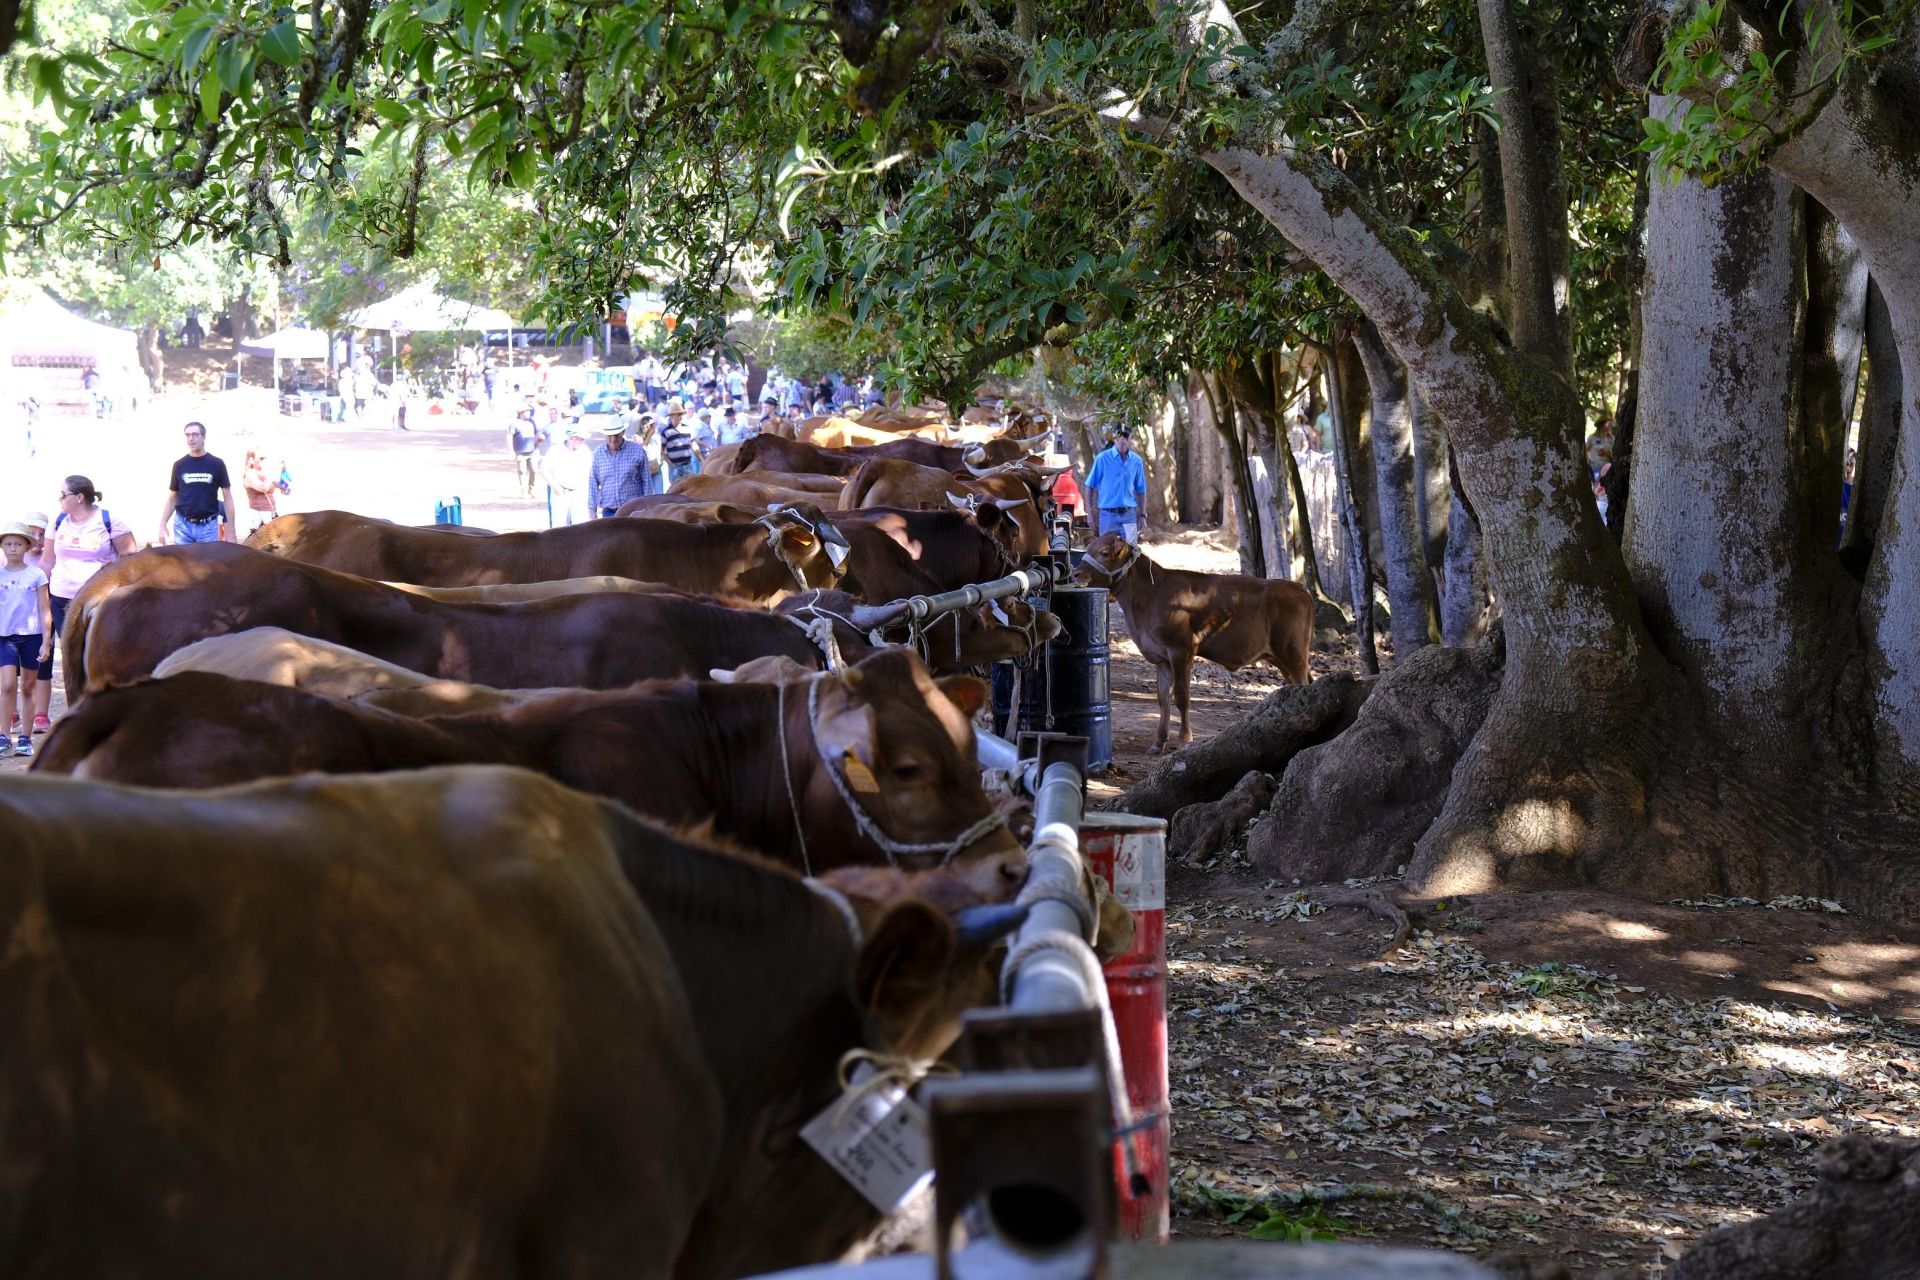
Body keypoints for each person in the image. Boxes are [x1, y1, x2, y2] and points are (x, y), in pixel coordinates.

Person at [43, 477, 135, 727]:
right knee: (72, 653)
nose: (59, 499)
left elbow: (130, 558)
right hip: (63, 598)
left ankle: (107, 707)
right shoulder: (58, 521)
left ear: (79, 497)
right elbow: (47, 561)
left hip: (100, 598)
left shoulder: (110, 521)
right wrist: (38, 594)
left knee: (99, 652)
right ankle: (80, 715)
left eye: (62, 494)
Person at [0, 522, 53, 758]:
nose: (13, 548)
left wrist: (46, 640)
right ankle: (3, 736)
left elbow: (44, 609)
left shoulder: (36, 574)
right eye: (8, 543)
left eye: (18, 544)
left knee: (28, 687)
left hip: (31, 636)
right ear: (2, 546)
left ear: (26, 546)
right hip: (4, 637)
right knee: (7, 685)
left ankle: (25, 738)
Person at [157, 421, 236, 544]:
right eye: (187, 435)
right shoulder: (179, 465)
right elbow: (172, 498)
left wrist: (231, 530)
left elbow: (228, 498)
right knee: (183, 563)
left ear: (203, 437)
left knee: (209, 563)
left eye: (195, 434)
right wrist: (162, 525)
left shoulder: (217, 464)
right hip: (183, 527)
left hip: (208, 527)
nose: (191, 439)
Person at [1085, 423, 1148, 543]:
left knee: (1131, 552)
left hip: (1129, 515)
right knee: (1106, 552)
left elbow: (1141, 490)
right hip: (1108, 516)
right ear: (1114, 438)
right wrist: (1090, 513)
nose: (1122, 441)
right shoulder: (1102, 459)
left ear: (1131, 438)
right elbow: (1089, 486)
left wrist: (1143, 515)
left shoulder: (1136, 461)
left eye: (1125, 437)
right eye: (1119, 438)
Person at [588, 419, 651, 517]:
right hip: (609, 512)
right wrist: (592, 510)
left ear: (623, 433)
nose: (613, 439)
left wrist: (648, 509)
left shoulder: (637, 451)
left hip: (634, 512)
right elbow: (593, 483)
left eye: (616, 435)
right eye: (610, 435)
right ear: (605, 435)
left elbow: (647, 482)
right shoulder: (598, 454)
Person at [540, 424, 596, 526]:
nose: (582, 441)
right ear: (571, 438)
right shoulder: (556, 450)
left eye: (582, 439)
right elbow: (543, 470)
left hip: (579, 492)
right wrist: (555, 486)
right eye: (579, 438)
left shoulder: (584, 451)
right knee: (559, 525)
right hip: (560, 492)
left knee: (580, 524)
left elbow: (589, 473)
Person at [508, 397, 545, 496]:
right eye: (527, 411)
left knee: (533, 470)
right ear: (521, 413)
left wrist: (540, 439)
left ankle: (531, 489)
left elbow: (537, 434)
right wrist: (511, 450)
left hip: (532, 451)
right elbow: (509, 436)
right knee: (522, 471)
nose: (529, 413)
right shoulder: (514, 424)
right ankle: (524, 491)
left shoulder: (532, 422)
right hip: (520, 452)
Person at [242, 448, 280, 534]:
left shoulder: (264, 474)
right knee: (259, 543)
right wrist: (272, 474)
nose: (264, 461)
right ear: (252, 460)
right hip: (259, 518)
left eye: (265, 459)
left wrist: (286, 486)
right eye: (261, 459)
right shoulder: (249, 475)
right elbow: (263, 488)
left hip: (270, 514)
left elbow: (283, 488)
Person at [657, 406, 698, 486]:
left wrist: (701, 459)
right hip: (675, 466)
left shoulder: (687, 428)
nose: (681, 417)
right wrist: (670, 464)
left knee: (690, 488)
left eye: (682, 414)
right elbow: (662, 450)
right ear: (672, 416)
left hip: (687, 465)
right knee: (676, 490)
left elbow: (693, 445)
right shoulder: (666, 432)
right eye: (678, 414)